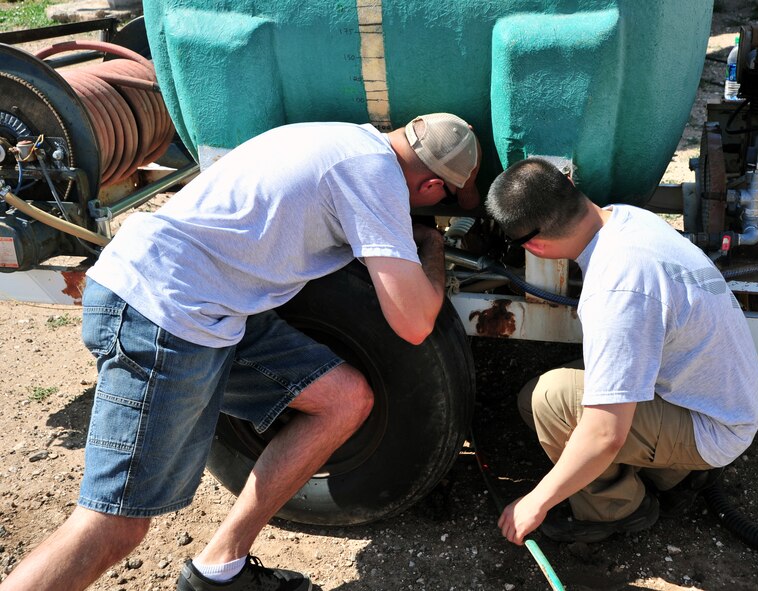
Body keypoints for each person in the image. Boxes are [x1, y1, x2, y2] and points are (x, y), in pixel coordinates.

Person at [0, 113, 481, 591]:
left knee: (343, 400)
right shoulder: (374, 174)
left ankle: (220, 570)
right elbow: (414, 323)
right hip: (162, 310)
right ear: (432, 187)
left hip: (208, 308)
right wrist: (430, 247)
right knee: (113, 525)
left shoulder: (337, 135)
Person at [485, 157, 758, 546]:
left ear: (533, 245)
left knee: (551, 400)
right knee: (580, 387)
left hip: (715, 424)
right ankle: (671, 474)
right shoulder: (625, 218)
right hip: (720, 395)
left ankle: (616, 511)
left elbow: (605, 435)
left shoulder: (616, 289)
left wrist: (536, 501)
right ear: (569, 186)